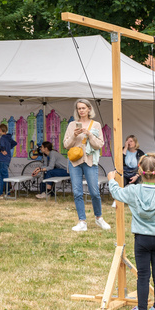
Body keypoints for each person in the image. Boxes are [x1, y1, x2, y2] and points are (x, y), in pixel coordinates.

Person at [106, 153, 155, 310]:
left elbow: (117, 193)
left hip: (142, 239)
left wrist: (111, 179)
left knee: (143, 275)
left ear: (139, 171)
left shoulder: (133, 191)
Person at [63, 99, 110, 231]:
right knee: (77, 192)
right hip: (75, 162)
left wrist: (89, 135)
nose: (81, 110)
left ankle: (99, 218)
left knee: (95, 192)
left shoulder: (96, 125)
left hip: (90, 161)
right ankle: (82, 221)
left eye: (83, 108)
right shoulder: (72, 125)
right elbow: (66, 145)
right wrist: (74, 135)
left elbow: (99, 145)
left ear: (89, 109)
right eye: (79, 108)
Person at [0, 124, 17, 198]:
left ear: (1, 130)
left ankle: (6, 192)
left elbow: (2, 145)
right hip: (7, 158)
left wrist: (3, 149)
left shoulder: (2, 138)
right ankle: (0, 192)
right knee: (1, 175)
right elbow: (15, 143)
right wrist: (8, 148)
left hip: (2, 158)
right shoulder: (9, 137)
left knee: (3, 176)